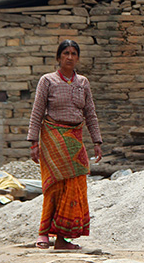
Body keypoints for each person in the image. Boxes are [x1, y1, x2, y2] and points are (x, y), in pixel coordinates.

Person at [27, 40, 102, 250]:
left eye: (74, 53)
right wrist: (33, 142)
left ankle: (62, 239)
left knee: (75, 186)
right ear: (59, 57)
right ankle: (43, 233)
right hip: (52, 138)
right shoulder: (47, 81)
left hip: (75, 138)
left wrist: (97, 141)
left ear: (78, 58)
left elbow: (90, 114)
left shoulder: (83, 83)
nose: (70, 57)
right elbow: (37, 112)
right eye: (66, 53)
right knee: (53, 187)